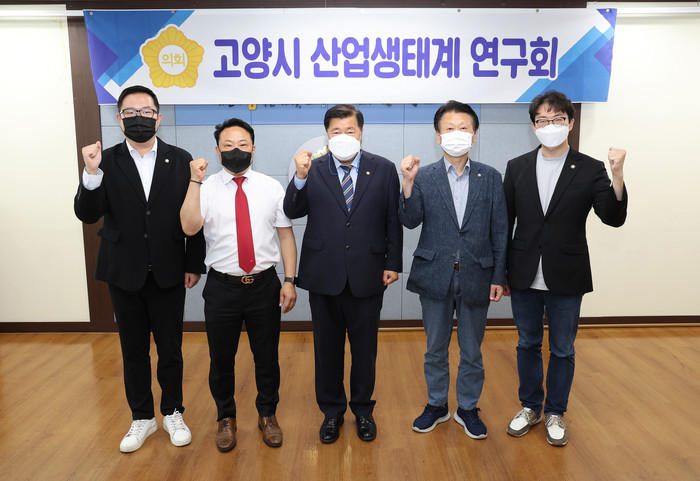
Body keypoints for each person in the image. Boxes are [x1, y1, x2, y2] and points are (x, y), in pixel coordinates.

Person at [74, 85, 205, 453]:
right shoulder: (104, 161)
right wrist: (91, 172)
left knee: (171, 348)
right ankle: (142, 417)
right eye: (130, 112)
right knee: (133, 349)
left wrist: (193, 263)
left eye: (146, 111)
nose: (139, 118)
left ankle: (173, 412)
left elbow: (193, 216)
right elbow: (87, 214)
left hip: (169, 269)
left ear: (158, 118)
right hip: (123, 270)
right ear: (119, 119)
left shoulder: (181, 159)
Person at [503, 90, 628, 446]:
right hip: (524, 272)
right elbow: (504, 223)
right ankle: (530, 407)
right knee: (527, 343)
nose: (550, 126)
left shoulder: (589, 168)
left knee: (562, 348)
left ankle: (555, 411)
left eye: (558, 119)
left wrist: (617, 175)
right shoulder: (517, 166)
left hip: (567, 274)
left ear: (570, 123)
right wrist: (500, 273)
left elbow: (612, 217)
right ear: (533, 126)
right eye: (542, 120)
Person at [283, 104, 402, 444]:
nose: (344, 136)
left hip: (369, 272)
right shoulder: (313, 168)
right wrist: (299, 176)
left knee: (365, 350)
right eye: (336, 131)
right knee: (327, 349)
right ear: (327, 135)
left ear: (361, 133)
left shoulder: (384, 168)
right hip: (323, 274)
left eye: (350, 130)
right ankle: (332, 412)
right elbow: (292, 210)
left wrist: (393, 263)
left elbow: (392, 219)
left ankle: (363, 410)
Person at [180, 118, 297, 452]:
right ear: (217, 151)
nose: (236, 150)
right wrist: (194, 181)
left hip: (264, 285)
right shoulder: (205, 187)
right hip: (222, 287)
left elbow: (285, 236)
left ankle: (267, 415)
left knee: (267, 356)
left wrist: (289, 280)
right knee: (221, 359)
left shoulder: (271, 187)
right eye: (228, 145)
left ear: (253, 149)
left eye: (243, 144)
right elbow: (189, 227)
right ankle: (226, 417)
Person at [398, 100, 508, 440]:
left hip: (478, 274)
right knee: (435, 348)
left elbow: (500, 230)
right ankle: (436, 405)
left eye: (463, 128)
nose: (456, 133)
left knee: (472, 350)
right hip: (435, 274)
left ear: (474, 135)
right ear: (438, 135)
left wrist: (499, 277)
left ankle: (468, 407)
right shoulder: (424, 175)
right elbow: (410, 220)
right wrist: (407, 183)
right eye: (449, 128)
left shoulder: (490, 176)